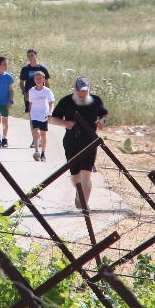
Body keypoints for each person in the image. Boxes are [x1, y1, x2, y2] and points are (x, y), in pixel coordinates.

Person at [50, 77, 108, 209]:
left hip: (89, 142)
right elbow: (54, 118)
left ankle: (84, 203)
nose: (82, 94)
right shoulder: (66, 101)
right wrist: (65, 123)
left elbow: (103, 114)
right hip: (71, 141)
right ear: (75, 90)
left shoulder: (96, 101)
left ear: (88, 90)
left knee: (86, 173)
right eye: (79, 91)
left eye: (84, 91)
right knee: (75, 175)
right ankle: (79, 193)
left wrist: (101, 121)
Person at [28, 72, 55, 162]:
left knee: (43, 134)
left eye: (40, 78)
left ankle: (43, 152)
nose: (38, 80)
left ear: (43, 79)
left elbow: (51, 103)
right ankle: (36, 151)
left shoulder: (47, 91)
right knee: (36, 131)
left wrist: (50, 112)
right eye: (37, 78)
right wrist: (30, 115)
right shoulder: (31, 91)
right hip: (35, 114)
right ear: (34, 80)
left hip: (44, 114)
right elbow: (30, 103)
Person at [0, 57, 15, 148]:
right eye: (4, 64)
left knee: (5, 121)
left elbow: (11, 90)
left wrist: (11, 101)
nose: (6, 66)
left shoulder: (8, 77)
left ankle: (4, 138)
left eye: (6, 64)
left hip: (6, 102)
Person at [19, 49, 50, 115]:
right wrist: (24, 93)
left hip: (41, 94)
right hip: (29, 95)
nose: (30, 57)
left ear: (36, 56)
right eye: (29, 56)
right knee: (31, 115)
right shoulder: (25, 69)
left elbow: (47, 83)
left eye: (32, 55)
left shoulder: (42, 69)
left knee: (42, 114)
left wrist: (47, 94)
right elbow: (21, 83)